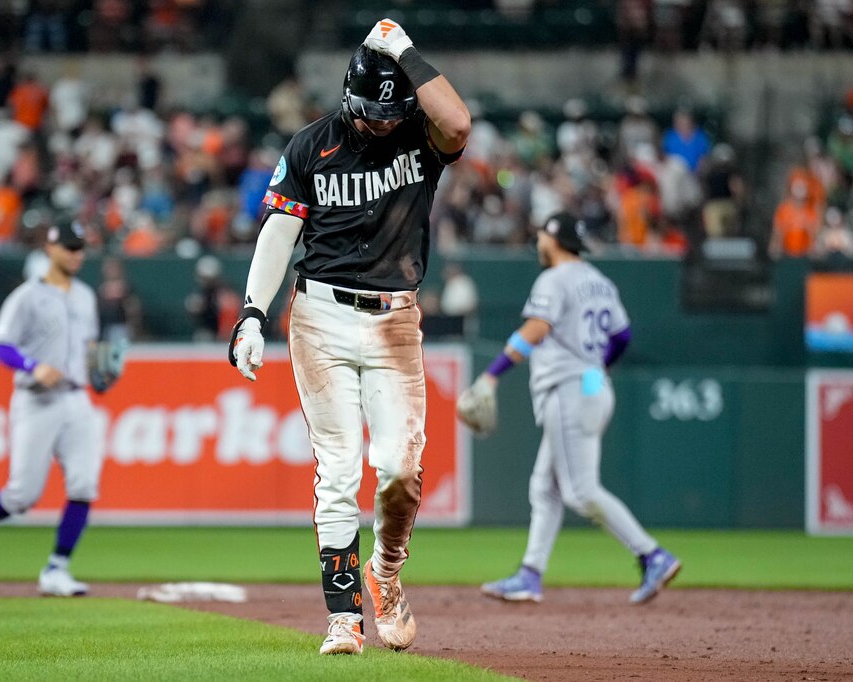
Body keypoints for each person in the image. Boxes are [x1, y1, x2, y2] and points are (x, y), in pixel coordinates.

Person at [228, 19, 470, 655]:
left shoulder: (421, 133)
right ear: (349, 99)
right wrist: (253, 310)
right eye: (373, 114)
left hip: (395, 318)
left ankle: (385, 573)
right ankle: (343, 617)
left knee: (398, 470)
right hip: (321, 315)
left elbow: (461, 124)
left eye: (394, 114)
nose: (383, 124)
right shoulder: (312, 145)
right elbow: (279, 232)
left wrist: (405, 51)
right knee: (336, 470)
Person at [461, 211, 681, 606]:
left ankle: (652, 554)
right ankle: (529, 574)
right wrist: (596, 374)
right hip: (589, 387)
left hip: (568, 390)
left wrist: (490, 376)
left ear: (556, 238)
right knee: (544, 487)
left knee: (580, 491)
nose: (539, 242)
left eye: (544, 235)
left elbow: (536, 329)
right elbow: (622, 336)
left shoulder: (554, 279)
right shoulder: (599, 282)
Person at [0, 221, 106, 597]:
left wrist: (101, 372)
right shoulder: (27, 296)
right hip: (37, 400)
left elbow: (90, 348)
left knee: (84, 483)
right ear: (50, 249)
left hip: (77, 397)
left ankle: (57, 569)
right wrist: (33, 366)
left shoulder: (85, 296)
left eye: (80, 248)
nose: (76, 254)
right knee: (22, 495)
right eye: (69, 247)